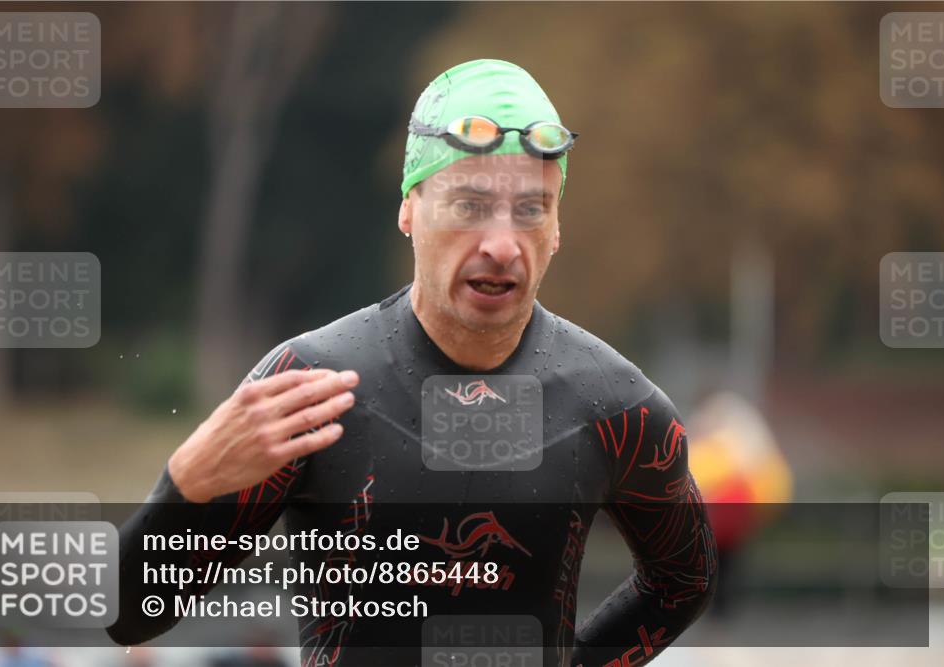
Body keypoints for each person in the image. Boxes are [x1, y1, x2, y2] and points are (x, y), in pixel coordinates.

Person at [107, 59, 717, 666]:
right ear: (408, 209)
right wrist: (182, 486)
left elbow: (683, 583)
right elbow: (124, 613)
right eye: (469, 204)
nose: (502, 245)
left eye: (531, 209)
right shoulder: (310, 389)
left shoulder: (617, 408)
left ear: (556, 228)